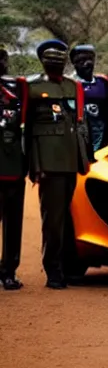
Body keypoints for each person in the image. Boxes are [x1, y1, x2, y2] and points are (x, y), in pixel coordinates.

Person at [25, 39, 90, 289]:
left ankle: (65, 266)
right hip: (49, 162)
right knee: (52, 220)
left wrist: (84, 158)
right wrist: (35, 165)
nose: (57, 63)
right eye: (52, 59)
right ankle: (52, 269)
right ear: (43, 61)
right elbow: (28, 131)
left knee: (67, 219)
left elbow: (80, 123)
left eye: (61, 59)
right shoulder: (33, 88)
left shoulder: (74, 87)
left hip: (71, 159)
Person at [0, 45, 28, 290]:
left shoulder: (16, 89)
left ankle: (9, 271)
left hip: (14, 167)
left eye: (3, 58)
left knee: (13, 225)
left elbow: (25, 128)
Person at [69, 44, 108, 155]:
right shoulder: (69, 85)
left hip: (101, 142)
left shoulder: (103, 82)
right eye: (81, 60)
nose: (87, 63)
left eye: (89, 59)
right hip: (77, 145)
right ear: (74, 63)